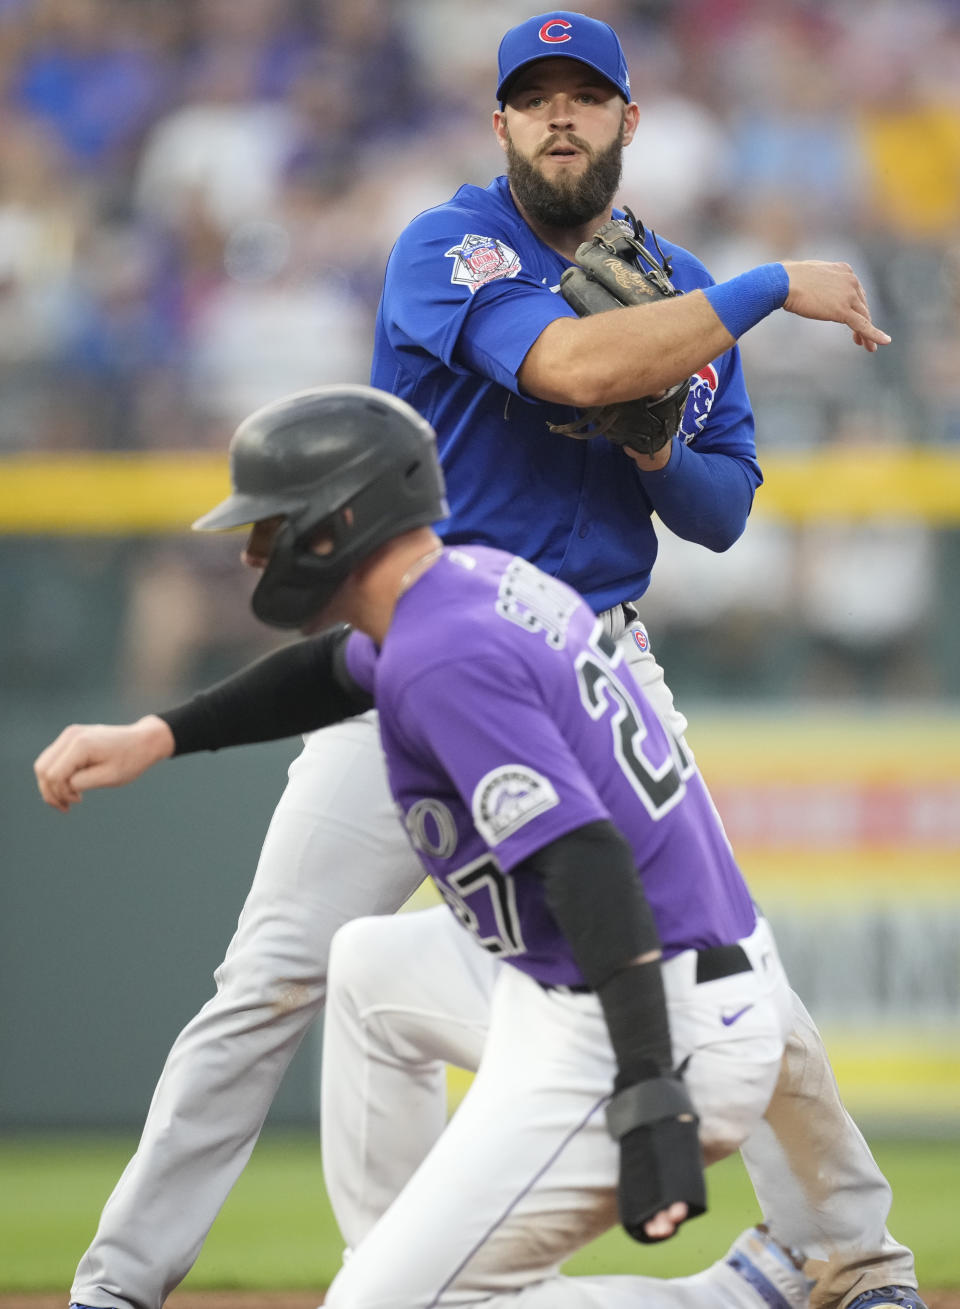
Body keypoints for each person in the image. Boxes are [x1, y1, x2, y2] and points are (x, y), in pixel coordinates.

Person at [36, 13, 921, 1309]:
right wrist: (763, 287)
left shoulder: (668, 282)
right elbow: (563, 361)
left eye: (586, 97)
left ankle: (847, 1250)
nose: (560, 115)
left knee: (739, 961)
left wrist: (651, 441)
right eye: (534, 98)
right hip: (415, 653)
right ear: (498, 124)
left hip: (593, 656)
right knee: (278, 971)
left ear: (629, 122)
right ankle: (121, 1281)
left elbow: (722, 512)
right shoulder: (452, 247)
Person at [49, 382, 824, 1309]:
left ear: (341, 524)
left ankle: (736, 1298)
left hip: (657, 1015)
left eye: (271, 525)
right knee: (367, 960)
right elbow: (327, 674)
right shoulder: (457, 590)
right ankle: (399, 1265)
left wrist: (648, 1090)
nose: (256, 550)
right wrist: (159, 734)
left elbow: (587, 861)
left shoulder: (445, 653)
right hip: (634, 981)